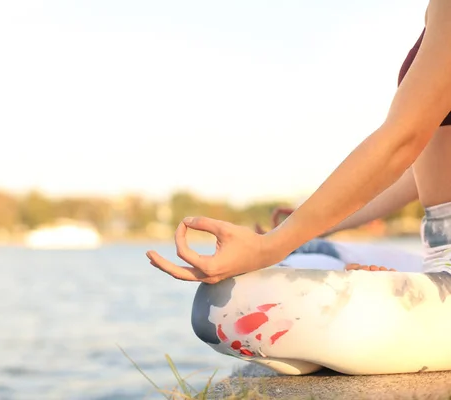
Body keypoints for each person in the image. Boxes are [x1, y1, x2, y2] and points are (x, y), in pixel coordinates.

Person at [147, 0, 451, 283]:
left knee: (251, 296)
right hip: (438, 249)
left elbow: (402, 141)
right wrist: (308, 223)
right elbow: (419, 174)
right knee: (299, 257)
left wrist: (269, 247)